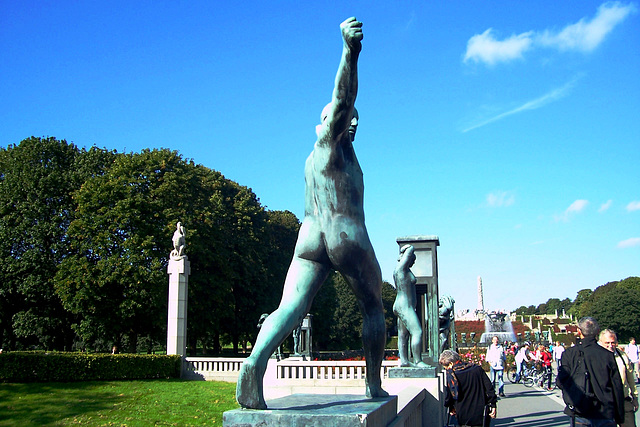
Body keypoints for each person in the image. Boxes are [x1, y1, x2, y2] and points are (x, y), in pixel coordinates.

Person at [236, 17, 388, 409]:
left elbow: (344, 108)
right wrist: (349, 52)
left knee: (289, 307)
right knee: (374, 304)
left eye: (357, 121)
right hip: (345, 235)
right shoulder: (329, 142)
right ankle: (373, 384)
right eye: (346, 120)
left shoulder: (316, 160)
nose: (352, 123)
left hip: (309, 237)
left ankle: (254, 364)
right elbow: (342, 100)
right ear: (323, 123)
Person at [557, 317, 624, 427]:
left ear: (579, 331)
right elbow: (617, 387)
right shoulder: (607, 355)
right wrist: (619, 416)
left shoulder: (569, 354)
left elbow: (561, 381)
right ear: (598, 332)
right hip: (605, 410)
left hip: (580, 409)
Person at [440, 349, 497, 427]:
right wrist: (493, 405)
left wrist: (450, 406)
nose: (446, 370)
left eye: (446, 367)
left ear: (451, 363)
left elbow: (449, 396)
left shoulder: (452, 375)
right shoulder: (477, 369)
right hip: (480, 413)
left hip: (462, 413)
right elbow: (489, 388)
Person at [393, 245, 428, 368]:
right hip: (404, 305)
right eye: (413, 260)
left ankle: (404, 360)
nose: (413, 262)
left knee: (403, 334)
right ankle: (418, 361)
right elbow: (410, 250)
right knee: (417, 331)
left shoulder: (404, 270)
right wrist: (408, 247)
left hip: (403, 305)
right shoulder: (400, 269)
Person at [599, 329, 638, 427]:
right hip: (605, 403)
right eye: (607, 343)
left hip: (623, 399)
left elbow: (630, 378)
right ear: (600, 342)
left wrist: (635, 396)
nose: (610, 345)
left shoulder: (622, 356)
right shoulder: (596, 358)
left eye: (613, 343)